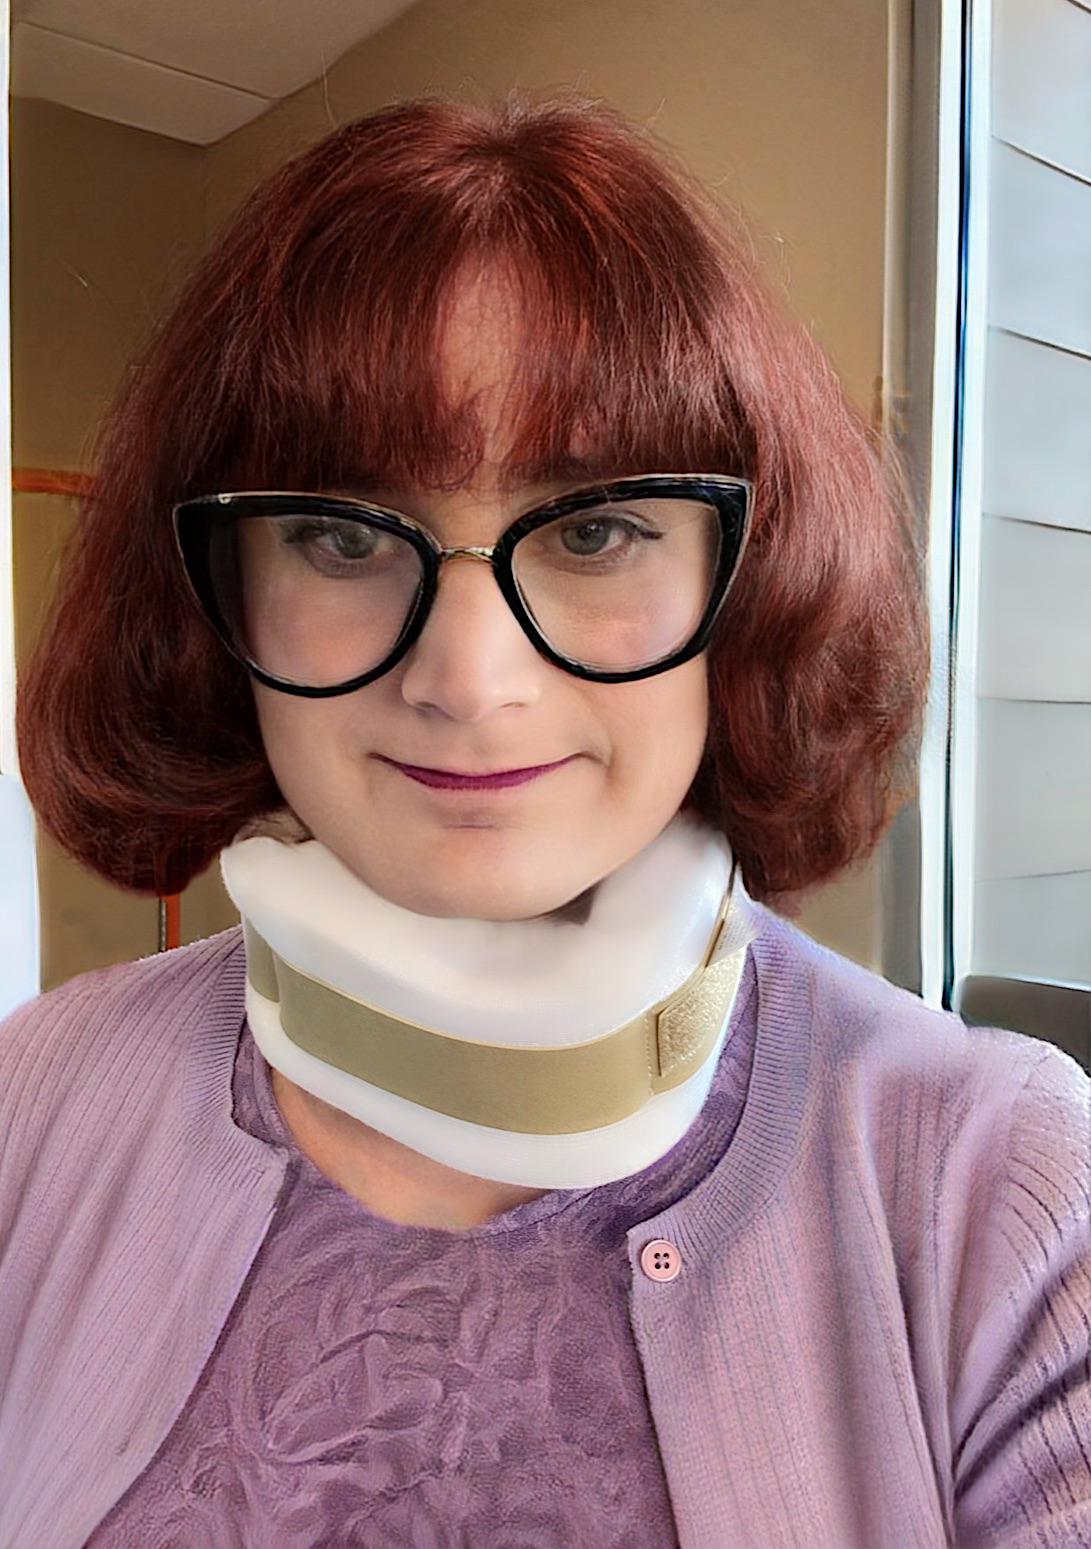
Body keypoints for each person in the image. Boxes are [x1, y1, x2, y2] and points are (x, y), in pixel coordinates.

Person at [1, 91, 1087, 1549]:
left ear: (750, 580)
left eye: (593, 529)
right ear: (219, 596)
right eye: (340, 534)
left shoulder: (1002, 1190)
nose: (468, 680)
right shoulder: (31, 1103)